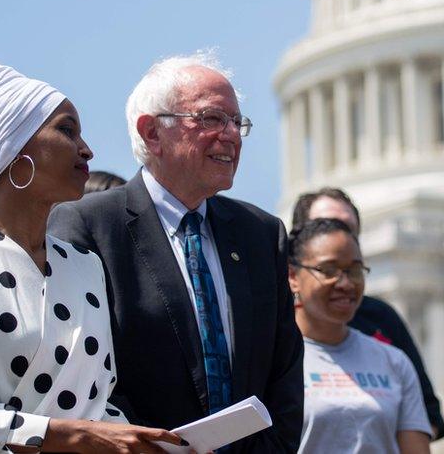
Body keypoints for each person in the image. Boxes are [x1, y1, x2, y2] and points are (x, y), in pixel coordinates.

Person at [0, 64, 185, 454]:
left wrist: (157, 445)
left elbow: (98, 408)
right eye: (67, 130)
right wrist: (67, 435)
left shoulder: (85, 266)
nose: (87, 149)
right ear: (15, 149)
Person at [49, 52, 303, 452]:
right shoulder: (89, 227)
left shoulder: (261, 234)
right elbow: (79, 372)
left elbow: (284, 373)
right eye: (211, 119)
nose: (232, 135)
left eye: (237, 122)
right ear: (152, 133)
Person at [290, 187, 444, 440]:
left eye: (348, 230)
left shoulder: (386, 335)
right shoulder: (272, 339)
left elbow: (426, 414)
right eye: (325, 227)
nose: (339, 237)